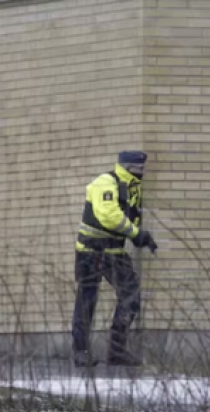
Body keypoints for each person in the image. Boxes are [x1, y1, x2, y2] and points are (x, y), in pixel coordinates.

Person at [71, 150, 158, 368]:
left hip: (115, 252)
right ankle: (80, 352)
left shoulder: (132, 188)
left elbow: (129, 217)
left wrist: (141, 237)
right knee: (86, 301)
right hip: (91, 251)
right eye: (138, 169)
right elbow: (109, 216)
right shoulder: (105, 182)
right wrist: (136, 234)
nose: (142, 173)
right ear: (128, 168)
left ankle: (117, 352)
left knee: (131, 295)